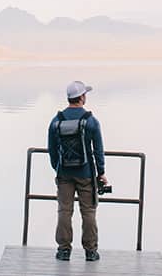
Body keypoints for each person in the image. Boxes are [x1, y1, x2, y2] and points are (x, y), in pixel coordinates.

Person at [48, 80, 107, 262]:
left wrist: (58, 167)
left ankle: (64, 250)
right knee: (88, 211)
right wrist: (101, 172)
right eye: (85, 94)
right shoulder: (90, 121)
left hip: (64, 174)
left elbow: (51, 149)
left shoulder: (57, 120)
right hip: (86, 173)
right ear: (81, 97)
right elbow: (98, 150)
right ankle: (90, 251)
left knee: (64, 211)